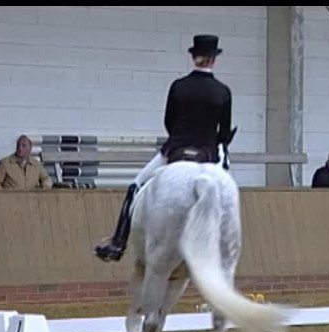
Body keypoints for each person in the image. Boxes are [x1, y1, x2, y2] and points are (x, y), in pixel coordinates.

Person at [95, 34, 234, 262]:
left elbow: (169, 122)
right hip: (207, 155)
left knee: (136, 185)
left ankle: (118, 243)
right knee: (226, 197)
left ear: (193, 57)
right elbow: (224, 133)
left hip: (175, 150)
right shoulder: (222, 92)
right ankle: (224, 252)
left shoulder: (178, 87)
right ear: (213, 59)